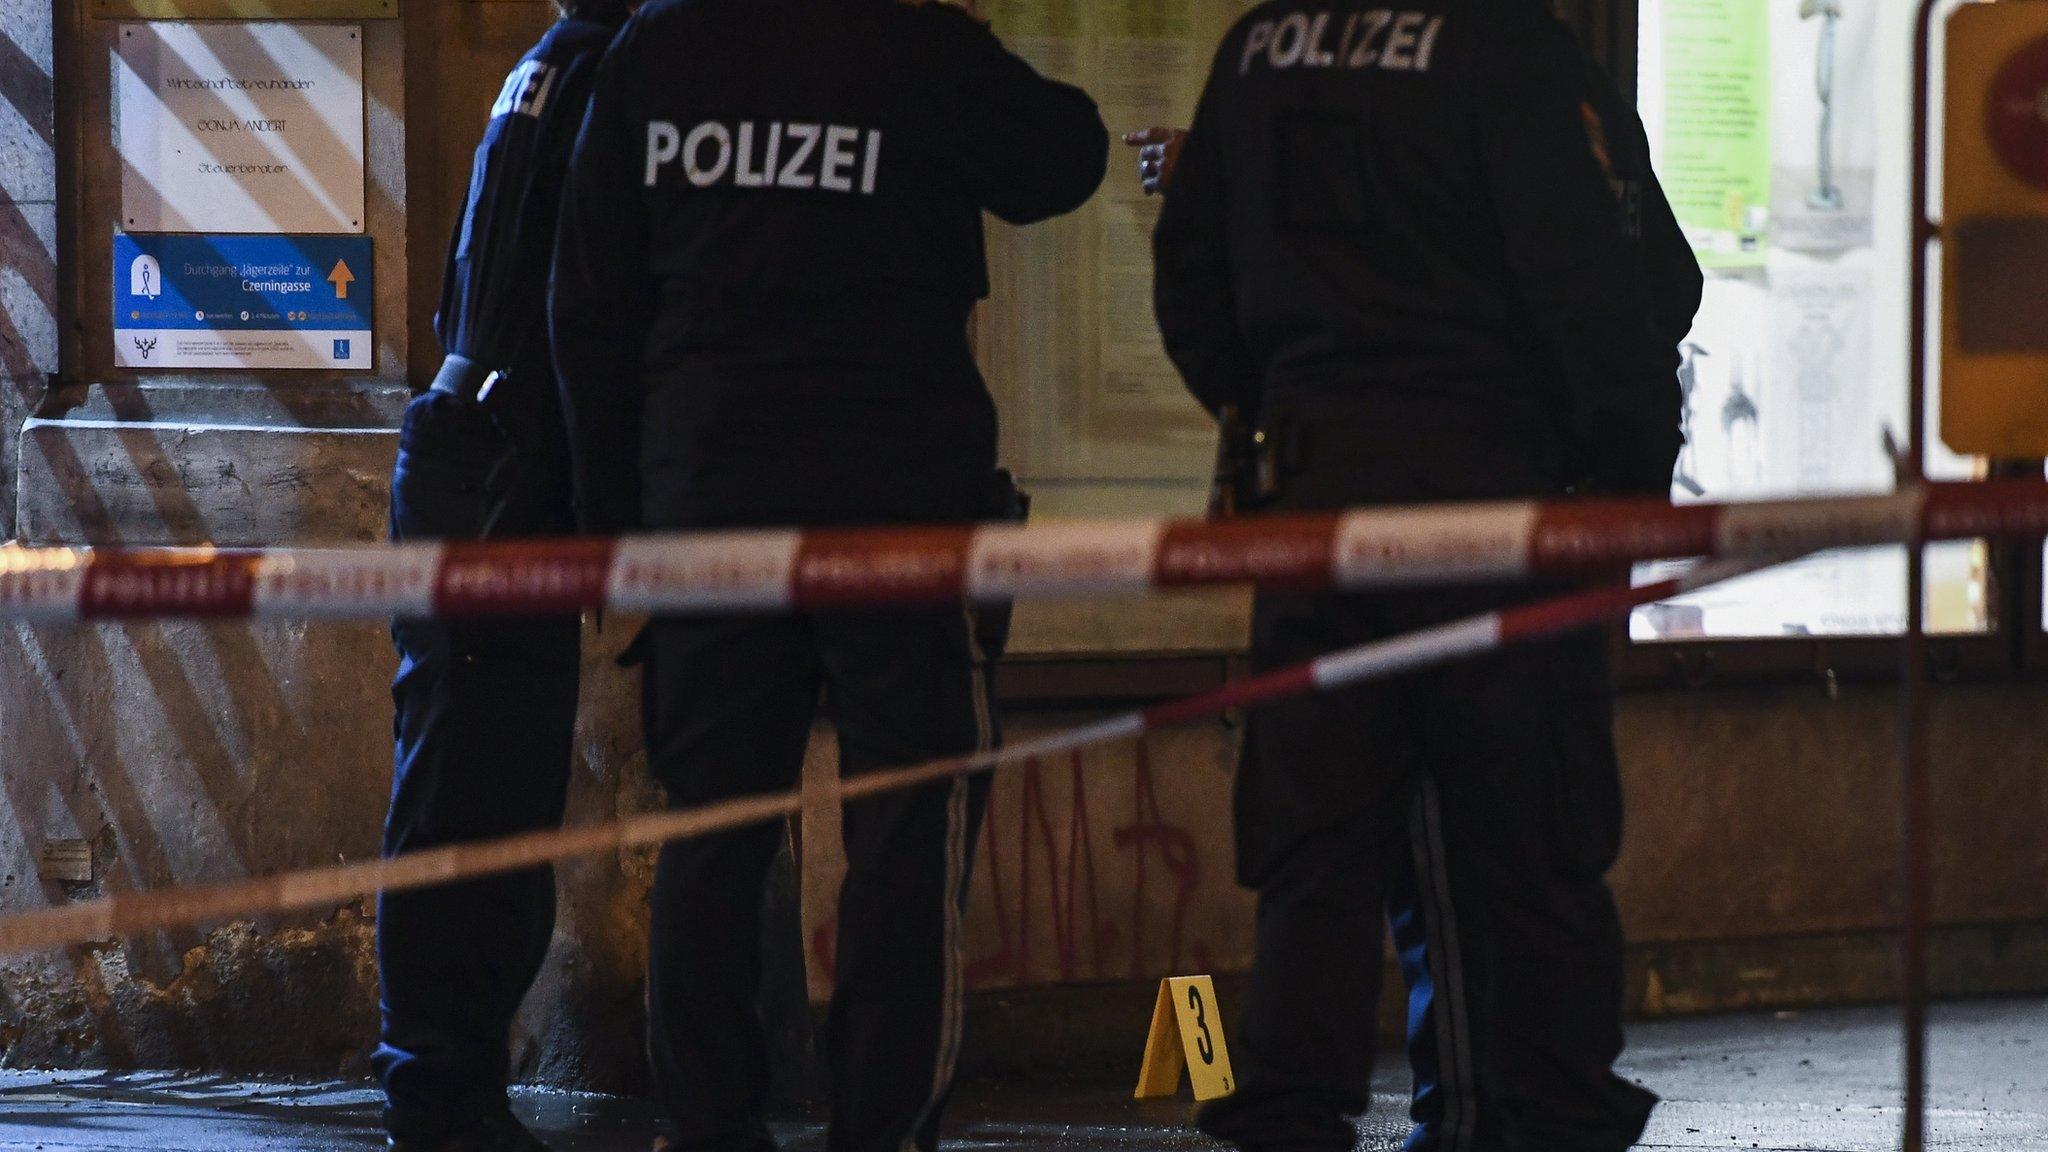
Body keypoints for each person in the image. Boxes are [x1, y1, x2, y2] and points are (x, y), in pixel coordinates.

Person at [1143, 2, 1703, 1150]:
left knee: (1314, 846)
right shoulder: (1507, 47)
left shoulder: (1259, 46)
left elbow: (1188, 281)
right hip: (1496, 513)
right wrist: (1624, 475)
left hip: (1315, 516)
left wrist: (1284, 423)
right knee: (1526, 839)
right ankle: (1531, 1113)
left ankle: (1293, 1111)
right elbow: (1593, 287)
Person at [548, 3, 1107, 1150]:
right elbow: (1062, 157)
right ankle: (881, 1130)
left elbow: (588, 306)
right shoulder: (911, 43)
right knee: (909, 833)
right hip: (896, 500)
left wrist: (614, 521)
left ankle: (706, 1128)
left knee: (714, 832)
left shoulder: (657, 49)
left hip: (707, 501)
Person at [374, 3, 634, 1149]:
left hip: (473, 439)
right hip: (504, 464)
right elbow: (582, 301)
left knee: (478, 781)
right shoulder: (607, 73)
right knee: (476, 790)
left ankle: (449, 1078)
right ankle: (439, 1088)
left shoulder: (548, 62)